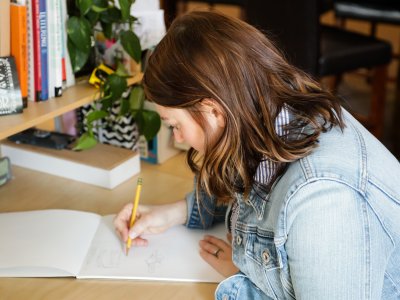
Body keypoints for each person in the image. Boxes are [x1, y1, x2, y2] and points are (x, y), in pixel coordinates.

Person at [114, 11, 400, 299]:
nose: (178, 138)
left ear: (213, 110)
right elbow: (253, 190)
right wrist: (176, 212)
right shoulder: (269, 115)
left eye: (175, 125)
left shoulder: (322, 199)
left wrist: (242, 282)